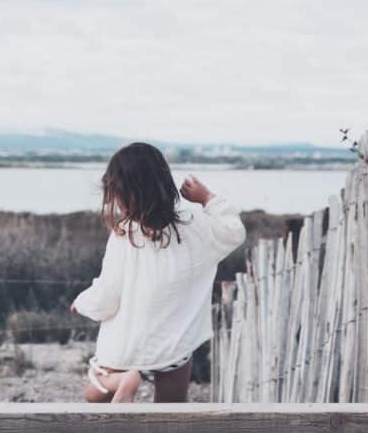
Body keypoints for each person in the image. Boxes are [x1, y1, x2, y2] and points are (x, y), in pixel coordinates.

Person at [70, 142, 246, 403]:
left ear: (119, 192)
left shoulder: (125, 234)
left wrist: (83, 303)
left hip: (127, 342)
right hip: (174, 343)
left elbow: (108, 296)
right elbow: (234, 232)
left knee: (95, 394)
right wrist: (208, 198)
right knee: (171, 409)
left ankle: (121, 379)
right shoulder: (195, 223)